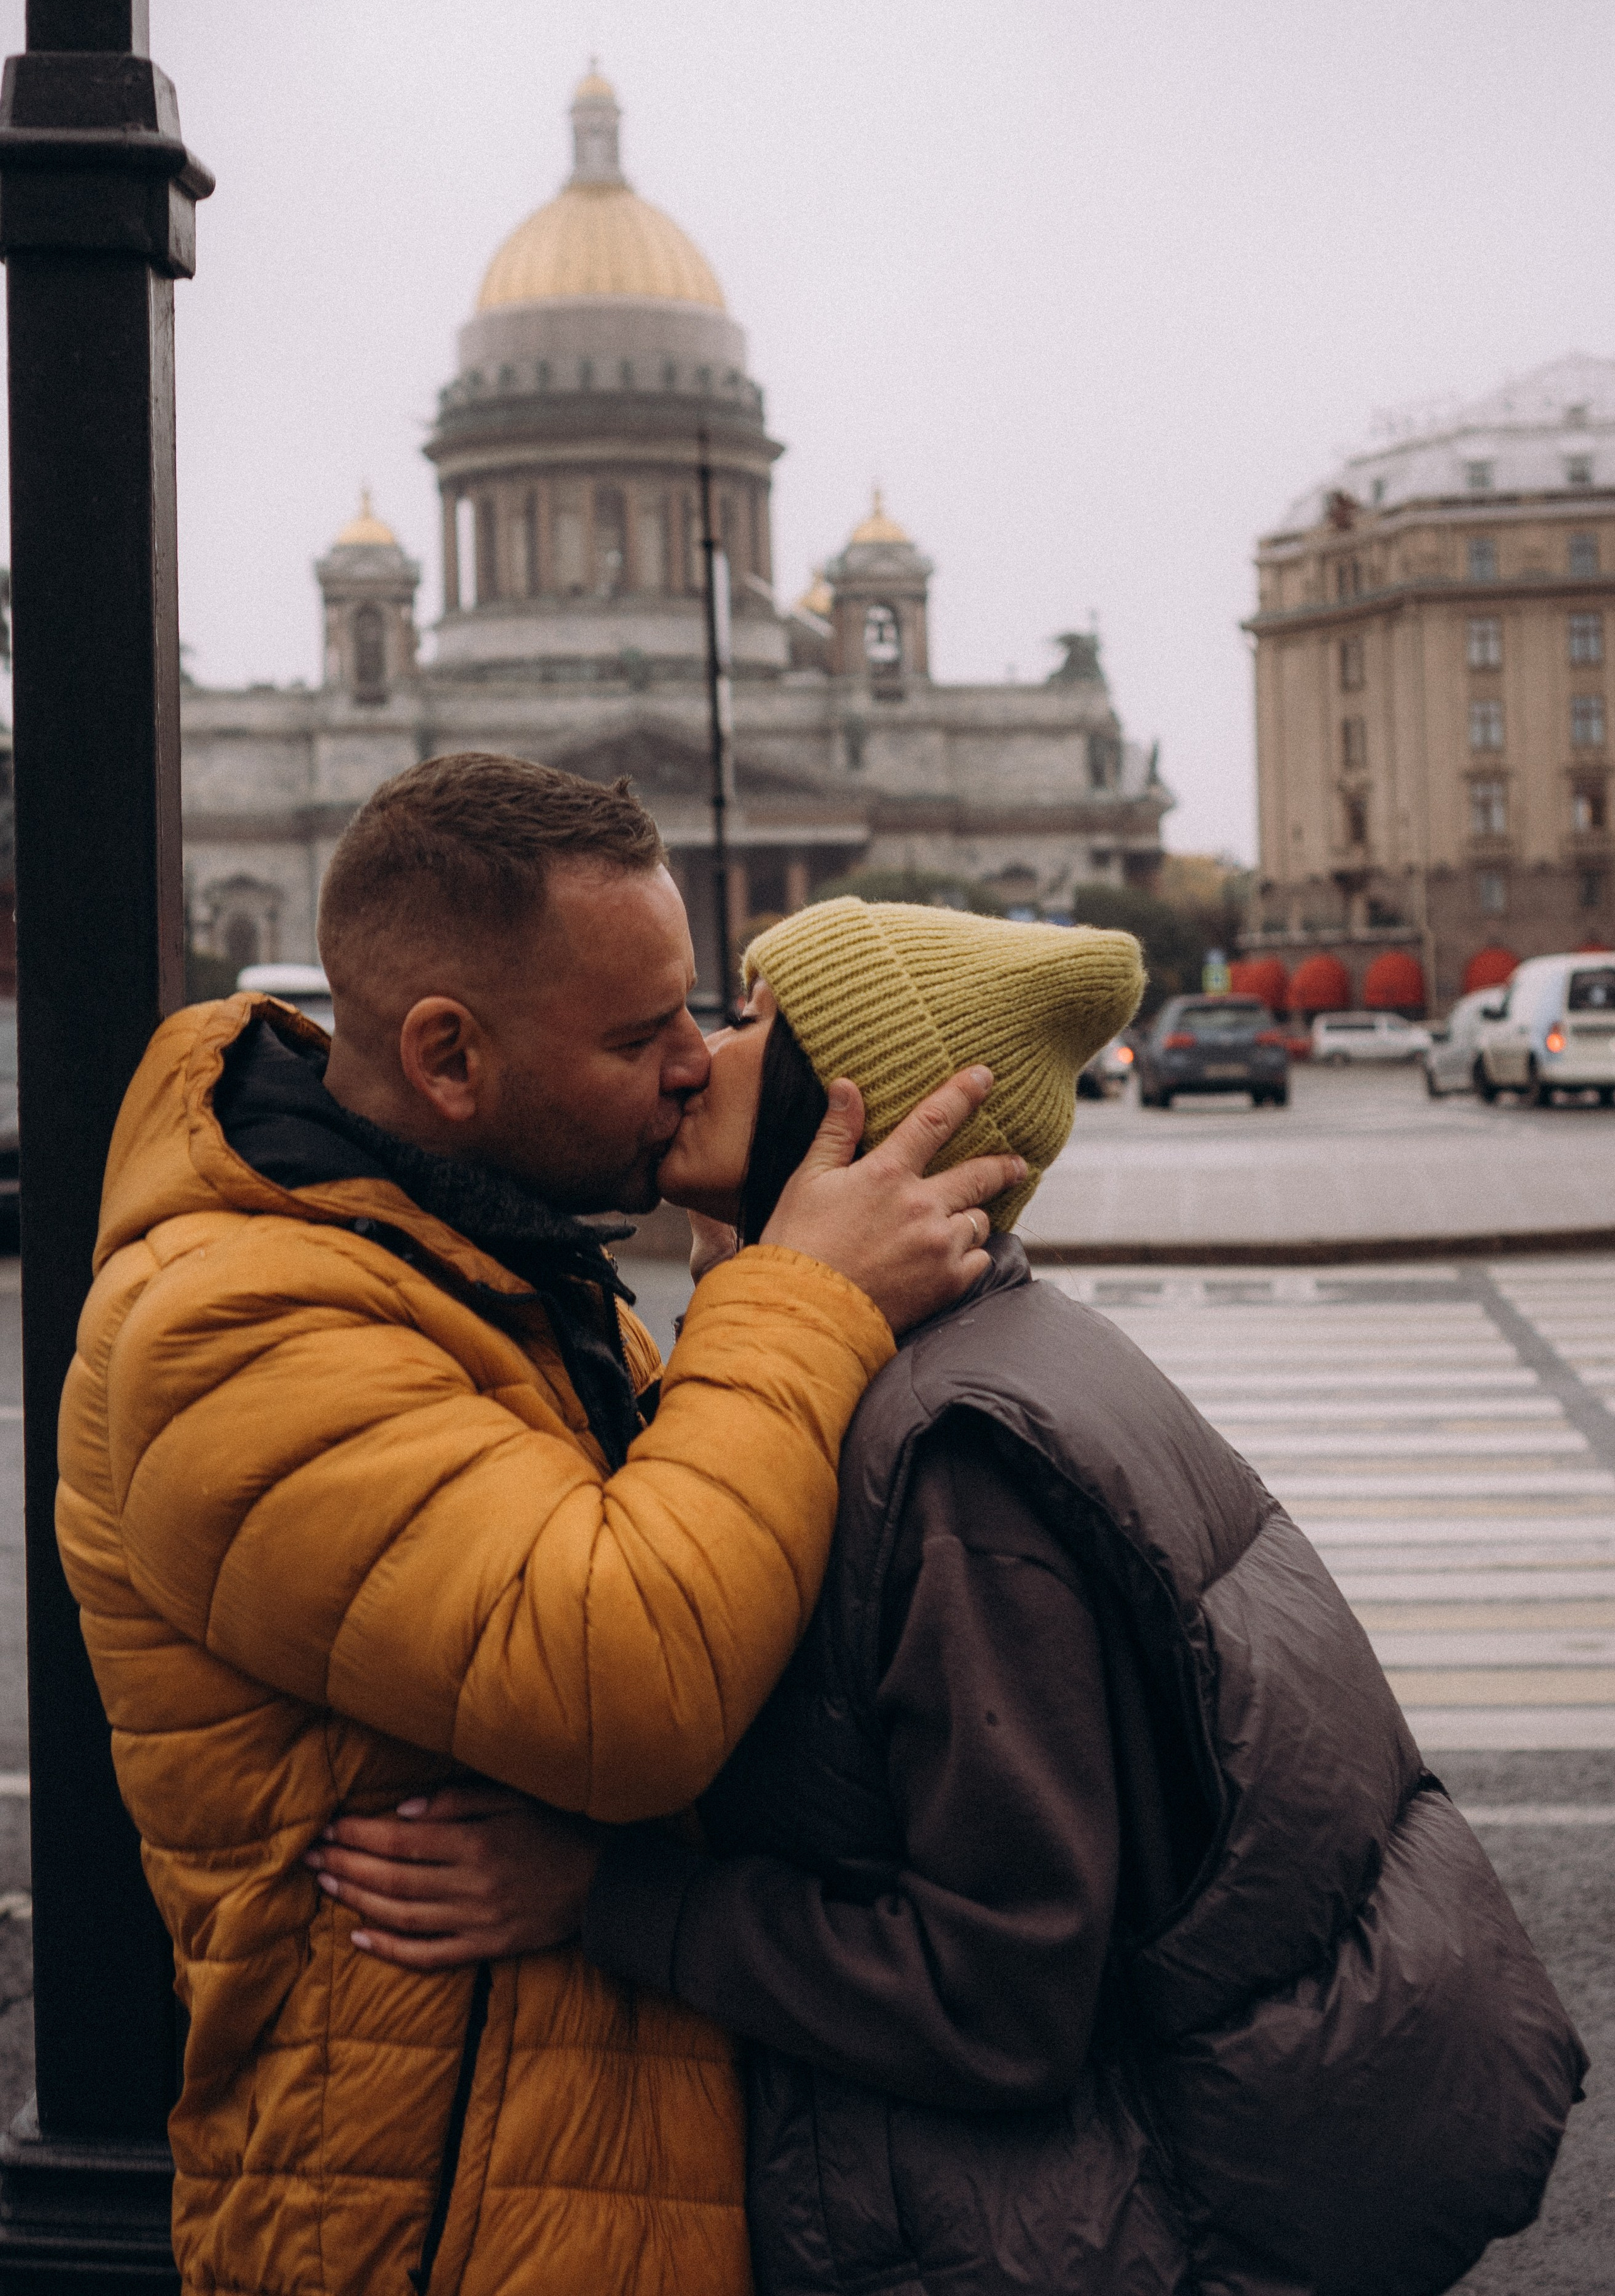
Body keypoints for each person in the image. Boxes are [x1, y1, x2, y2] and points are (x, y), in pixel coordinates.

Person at [320, 895, 1588, 2296]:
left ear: (859, 1114)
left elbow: (997, 1998)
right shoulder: (959, 1354)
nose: (694, 1058)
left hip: (1052, 2239)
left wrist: (601, 1895)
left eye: (753, 1027)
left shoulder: (947, 1452)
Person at [54, 758, 1033, 2296]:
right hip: (426, 2226)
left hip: (558, 2168)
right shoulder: (232, 1323)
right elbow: (625, 1684)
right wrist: (800, 1298)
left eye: (699, 1017)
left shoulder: (478, 1258)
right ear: (448, 1056)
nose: (697, 1068)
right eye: (642, 1037)